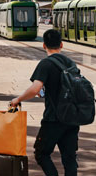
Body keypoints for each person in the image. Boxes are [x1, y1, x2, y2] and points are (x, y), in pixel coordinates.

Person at [10, 29, 79, 176]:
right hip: (72, 118)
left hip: (53, 119)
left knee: (41, 153)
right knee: (70, 159)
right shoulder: (71, 63)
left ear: (43, 46)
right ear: (61, 44)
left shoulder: (45, 64)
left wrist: (18, 99)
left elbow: (35, 89)